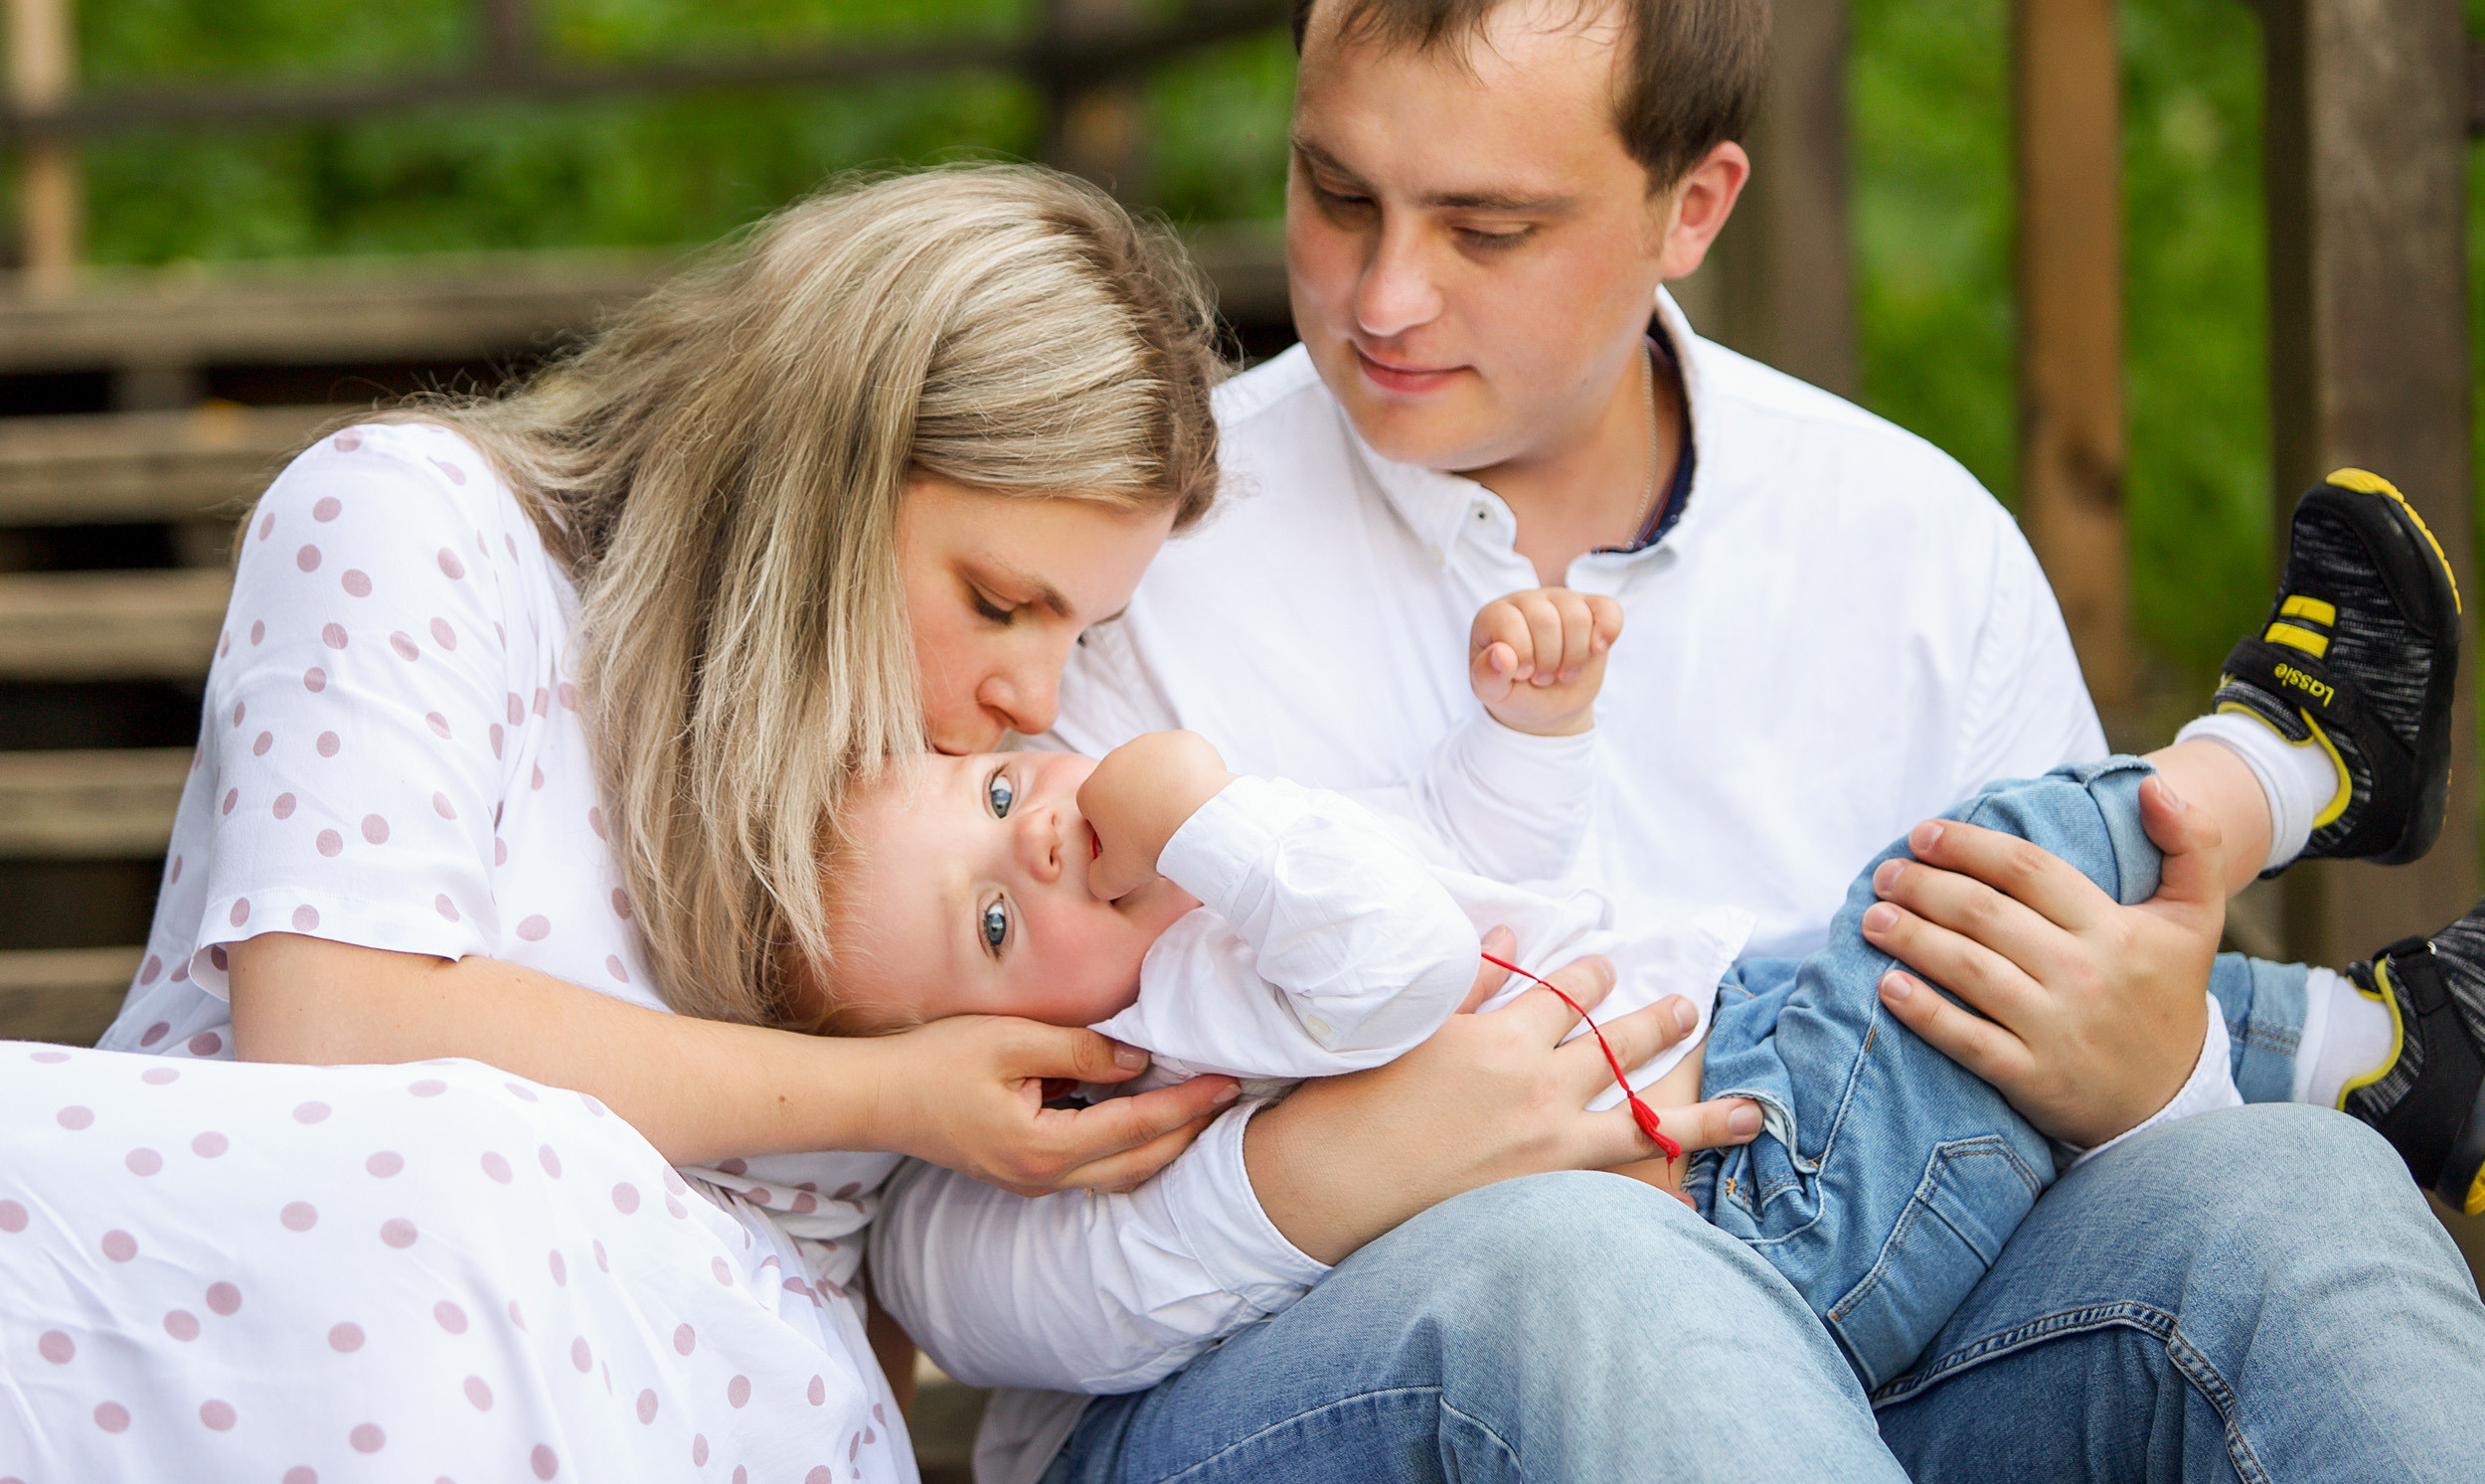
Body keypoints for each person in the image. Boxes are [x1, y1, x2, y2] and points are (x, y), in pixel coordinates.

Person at [873, 0, 2485, 1481]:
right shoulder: (1123, 562)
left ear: (1692, 206)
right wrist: (1332, 1173)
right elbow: (937, 1250)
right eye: (1336, 193)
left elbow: (2030, 1154)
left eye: (1488, 229)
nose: (1379, 294)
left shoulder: (1909, 546)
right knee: (1589, 1272)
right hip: (1280, 1405)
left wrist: (2163, 1077)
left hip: (1852, 1379)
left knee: (2301, 1197)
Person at [0, 165, 1253, 1481]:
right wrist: (891, 1095)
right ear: (813, 489)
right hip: (307, 1354)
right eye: (999, 602)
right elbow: (333, 1030)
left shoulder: (952, 790)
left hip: (709, 1419)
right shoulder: (416, 523)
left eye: (1082, 629)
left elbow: (842, 1280)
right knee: (461, 1179)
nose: (1034, 697)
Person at [845, 471, 2472, 1397]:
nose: (1039, 836)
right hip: (1766, 1194)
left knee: (2013, 974)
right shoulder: (1199, 994)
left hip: (1754, 1108)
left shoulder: (1216, 917)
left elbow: (1487, 873)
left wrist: (1523, 734)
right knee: (1982, 876)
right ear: (1009, 1039)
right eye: (996, 921)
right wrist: (1190, 802)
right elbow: (1402, 962)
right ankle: (2290, 758)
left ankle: (2381, 1058)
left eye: (996, 794)